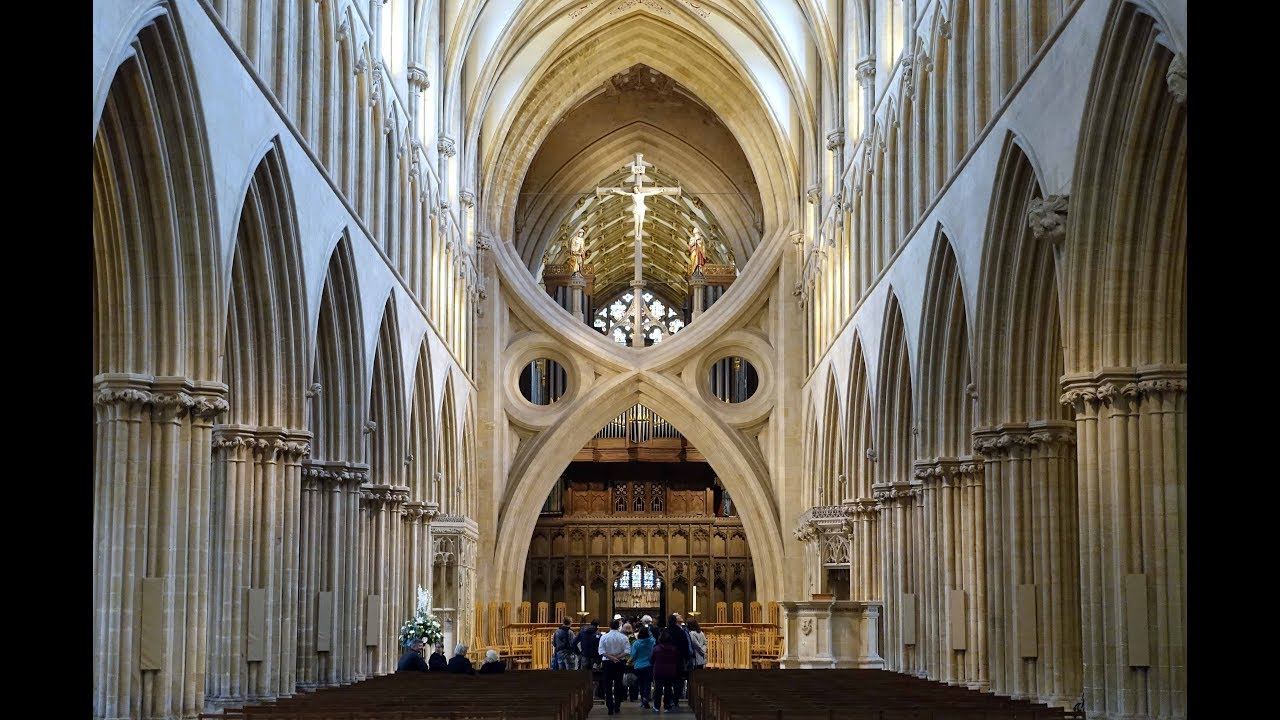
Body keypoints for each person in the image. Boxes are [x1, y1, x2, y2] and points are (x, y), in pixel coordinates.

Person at [598, 618, 631, 715]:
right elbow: (627, 651)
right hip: (619, 662)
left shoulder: (604, 637)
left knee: (607, 685)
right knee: (618, 684)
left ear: (609, 625)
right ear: (618, 626)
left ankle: (609, 707)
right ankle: (617, 706)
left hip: (607, 662)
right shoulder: (623, 637)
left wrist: (611, 657)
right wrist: (616, 657)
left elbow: (601, 651)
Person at [650, 629, 681, 713]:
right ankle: (667, 706)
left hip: (659, 671)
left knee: (658, 689)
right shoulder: (674, 649)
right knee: (668, 689)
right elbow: (677, 660)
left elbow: (651, 660)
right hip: (670, 671)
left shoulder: (656, 649)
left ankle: (657, 706)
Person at [665, 613, 692, 706]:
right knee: (678, 680)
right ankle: (676, 698)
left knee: (668, 681)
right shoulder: (680, 632)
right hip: (678, 659)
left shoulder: (665, 631)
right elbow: (685, 645)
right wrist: (687, 657)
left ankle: (669, 698)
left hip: (667, 659)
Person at [630, 625, 656, 710]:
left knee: (640, 683)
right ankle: (646, 697)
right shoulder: (652, 641)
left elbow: (633, 655)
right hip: (649, 665)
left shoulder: (636, 643)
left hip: (639, 666)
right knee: (648, 682)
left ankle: (642, 699)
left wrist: (631, 661)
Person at [686, 618, 707, 710]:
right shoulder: (701, 632)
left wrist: (702, 651)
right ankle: (699, 693)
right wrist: (704, 651)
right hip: (701, 656)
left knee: (695, 676)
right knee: (700, 675)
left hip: (696, 657)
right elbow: (705, 643)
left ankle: (694, 694)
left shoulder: (691, 633)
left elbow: (695, 644)